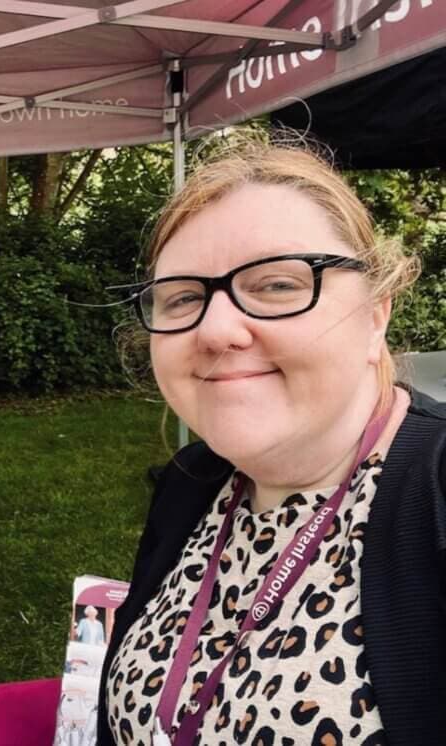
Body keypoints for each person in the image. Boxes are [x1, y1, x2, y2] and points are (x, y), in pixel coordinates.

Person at [96, 139, 445, 745]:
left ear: (375, 315)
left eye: (278, 285)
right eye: (183, 297)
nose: (216, 329)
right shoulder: (192, 482)